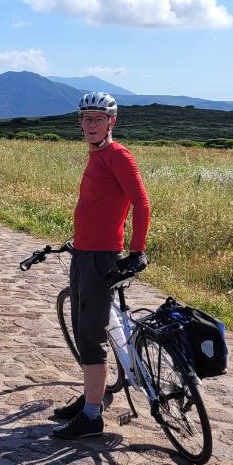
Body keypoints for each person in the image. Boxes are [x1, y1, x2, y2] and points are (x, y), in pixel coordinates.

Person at [51, 91, 151, 440]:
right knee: (85, 331)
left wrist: (137, 252)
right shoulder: (97, 155)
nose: (91, 125)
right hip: (85, 254)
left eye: (98, 119)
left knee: (90, 339)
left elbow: (141, 204)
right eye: (85, 118)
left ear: (112, 121)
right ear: (79, 122)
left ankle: (92, 417)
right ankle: (94, 395)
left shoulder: (118, 155)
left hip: (100, 258)